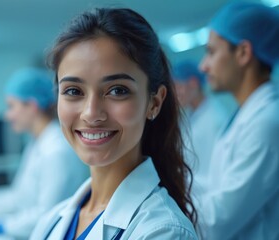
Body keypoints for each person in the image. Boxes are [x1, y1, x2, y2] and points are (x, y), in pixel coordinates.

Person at [30, 8, 198, 239]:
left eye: (117, 90)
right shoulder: (52, 222)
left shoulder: (163, 231)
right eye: (73, 91)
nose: (91, 114)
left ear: (154, 103)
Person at [0, 68, 88, 239]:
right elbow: (19, 198)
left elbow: (46, 215)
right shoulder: (36, 144)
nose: (7, 115)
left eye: (11, 106)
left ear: (32, 106)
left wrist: (4, 226)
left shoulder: (56, 151)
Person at [197, 2, 279, 239]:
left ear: (243, 53)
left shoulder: (267, 122)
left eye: (211, 52)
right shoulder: (248, 114)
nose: (204, 66)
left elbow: (217, 221)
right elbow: (218, 184)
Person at [172, 60, 228, 191]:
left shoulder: (216, 117)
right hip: (190, 190)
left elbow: (212, 171)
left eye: (178, 86)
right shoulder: (190, 114)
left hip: (205, 193)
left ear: (193, 83)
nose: (175, 94)